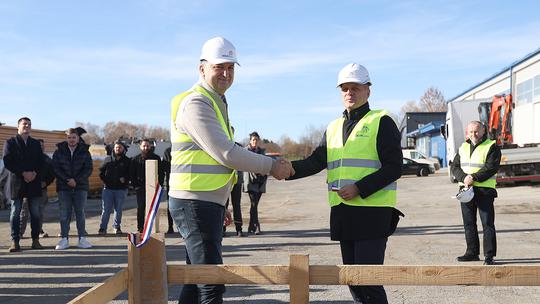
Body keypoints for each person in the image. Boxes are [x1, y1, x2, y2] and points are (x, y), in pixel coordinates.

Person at [168, 36, 293, 303]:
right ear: (202, 68)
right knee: (211, 283)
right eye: (219, 67)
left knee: (196, 279)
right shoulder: (196, 103)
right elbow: (227, 153)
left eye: (231, 68)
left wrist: (220, 202)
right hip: (194, 203)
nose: (226, 73)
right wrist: (272, 166)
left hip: (204, 201)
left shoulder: (216, 102)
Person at [288, 63, 403, 304]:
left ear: (367, 91)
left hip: (372, 213)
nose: (349, 93)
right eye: (345, 88)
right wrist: (282, 170)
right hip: (343, 212)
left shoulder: (381, 121)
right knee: (352, 281)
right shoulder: (333, 127)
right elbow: (316, 161)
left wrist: (359, 188)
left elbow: (394, 167)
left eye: (355, 88)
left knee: (368, 281)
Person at [451, 121, 501, 265]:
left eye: (476, 131)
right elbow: (455, 166)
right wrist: (463, 178)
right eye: (471, 131)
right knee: (469, 223)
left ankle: (489, 255)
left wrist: (473, 177)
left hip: (484, 190)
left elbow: (491, 167)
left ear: (483, 131)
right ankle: (472, 252)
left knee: (487, 224)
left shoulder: (492, 146)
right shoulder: (463, 147)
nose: (473, 134)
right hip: (466, 190)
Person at [3, 117, 45, 252]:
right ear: (18, 126)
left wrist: (33, 174)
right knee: (15, 212)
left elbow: (40, 162)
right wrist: (23, 173)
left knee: (35, 213)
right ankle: (15, 241)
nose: (27, 126)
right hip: (17, 182)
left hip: (33, 182)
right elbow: (8, 161)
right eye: (24, 124)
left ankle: (35, 240)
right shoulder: (10, 142)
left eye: (29, 124)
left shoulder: (35, 144)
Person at [53, 128, 93, 250]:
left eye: (74, 137)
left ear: (78, 138)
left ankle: (82, 239)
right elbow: (55, 168)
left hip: (80, 187)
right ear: (66, 138)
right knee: (64, 214)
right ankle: (64, 239)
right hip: (63, 187)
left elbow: (88, 169)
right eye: (69, 137)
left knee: (80, 213)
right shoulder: (59, 151)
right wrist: (67, 180)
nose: (71, 140)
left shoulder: (85, 151)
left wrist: (76, 180)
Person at [20, 139, 55, 239]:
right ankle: (19, 233)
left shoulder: (48, 160)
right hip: (27, 189)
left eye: (42, 146)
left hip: (41, 190)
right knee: (24, 212)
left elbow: (52, 175)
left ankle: (38, 231)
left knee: (39, 212)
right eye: (39, 146)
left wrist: (46, 183)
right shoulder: (28, 158)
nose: (41, 147)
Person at [130, 139, 163, 233]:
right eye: (144, 146)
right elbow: (132, 174)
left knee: (152, 207)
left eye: (147, 146)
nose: (146, 148)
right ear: (140, 147)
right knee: (141, 207)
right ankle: (140, 227)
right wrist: (135, 185)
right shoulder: (135, 159)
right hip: (140, 188)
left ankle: (151, 227)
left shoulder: (156, 158)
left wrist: (159, 184)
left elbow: (160, 173)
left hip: (153, 187)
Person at [98, 140, 130, 235]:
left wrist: (126, 179)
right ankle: (102, 228)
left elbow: (131, 173)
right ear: (113, 148)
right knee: (106, 210)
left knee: (118, 209)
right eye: (116, 147)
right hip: (108, 189)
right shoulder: (107, 160)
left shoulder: (127, 161)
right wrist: (105, 180)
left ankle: (117, 227)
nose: (118, 149)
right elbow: (100, 171)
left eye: (120, 147)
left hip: (121, 189)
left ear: (123, 149)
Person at [243, 131, 268, 235]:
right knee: (254, 204)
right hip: (250, 181)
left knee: (255, 205)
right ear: (250, 141)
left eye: (256, 140)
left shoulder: (262, 151)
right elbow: (246, 165)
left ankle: (250, 227)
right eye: (253, 140)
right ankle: (257, 227)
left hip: (260, 182)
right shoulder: (245, 151)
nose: (255, 142)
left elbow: (265, 163)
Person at [161, 146, 175, 234]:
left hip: (185, 183)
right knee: (170, 206)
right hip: (172, 183)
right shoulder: (168, 151)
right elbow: (163, 168)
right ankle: (170, 226)